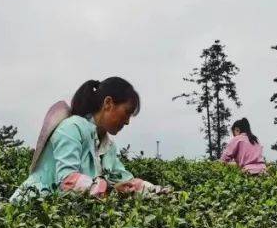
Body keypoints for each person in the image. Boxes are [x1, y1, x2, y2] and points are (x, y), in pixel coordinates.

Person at [11, 77, 168, 200]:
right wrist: (111, 190)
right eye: (127, 112)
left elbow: (125, 180)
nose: (127, 121)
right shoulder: (72, 128)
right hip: (31, 209)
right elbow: (68, 181)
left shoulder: (108, 146)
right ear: (108, 103)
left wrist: (157, 191)